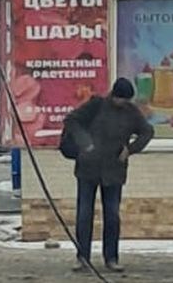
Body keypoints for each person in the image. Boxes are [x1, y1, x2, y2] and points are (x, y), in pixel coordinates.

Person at [64, 77, 153, 273]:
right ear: (114, 94)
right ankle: (82, 258)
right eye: (121, 99)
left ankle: (111, 258)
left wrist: (130, 149)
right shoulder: (96, 105)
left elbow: (147, 132)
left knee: (112, 216)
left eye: (127, 100)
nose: (123, 103)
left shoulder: (131, 112)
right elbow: (71, 120)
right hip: (88, 169)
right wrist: (85, 142)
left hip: (114, 170)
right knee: (84, 215)